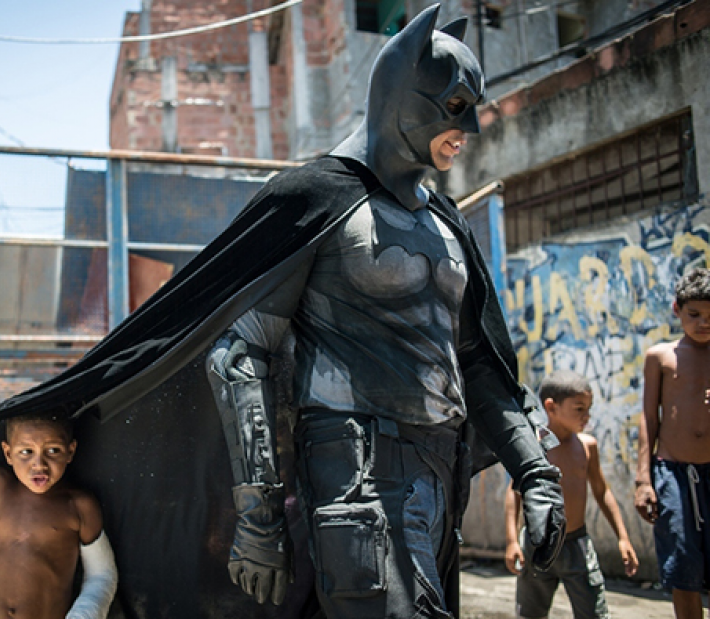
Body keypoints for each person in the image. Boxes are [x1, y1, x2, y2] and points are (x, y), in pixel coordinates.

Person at [203, 5, 566, 616]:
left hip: (438, 469)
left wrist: (535, 472)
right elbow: (242, 356)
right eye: (454, 106)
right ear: (401, 93)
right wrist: (259, 515)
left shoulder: (448, 221)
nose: (470, 127)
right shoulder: (316, 198)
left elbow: (479, 363)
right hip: (356, 469)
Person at [0, 399, 117, 619]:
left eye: (53, 450)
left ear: (70, 452)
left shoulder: (79, 505)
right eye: (26, 452)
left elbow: (102, 575)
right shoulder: (1, 486)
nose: (39, 464)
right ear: (8, 454)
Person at [504, 370, 639, 619]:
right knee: (530, 613)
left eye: (589, 408)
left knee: (594, 612)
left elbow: (602, 491)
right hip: (537, 543)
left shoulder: (587, 446)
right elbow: (514, 494)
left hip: (578, 544)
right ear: (551, 407)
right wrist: (512, 541)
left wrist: (623, 537)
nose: (586, 416)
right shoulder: (533, 447)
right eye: (579, 409)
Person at [634, 267, 710, 619]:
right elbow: (649, 418)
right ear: (677, 309)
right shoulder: (660, 356)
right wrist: (643, 480)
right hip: (673, 474)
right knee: (683, 569)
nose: (703, 323)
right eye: (694, 314)